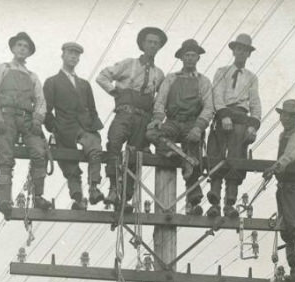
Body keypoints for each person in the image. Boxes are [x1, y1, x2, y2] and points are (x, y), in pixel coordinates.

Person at [0, 32, 51, 220]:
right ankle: (4, 200)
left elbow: (40, 101)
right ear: (13, 48)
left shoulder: (32, 76)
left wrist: (38, 119)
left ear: (29, 52)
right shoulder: (2, 68)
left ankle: (38, 197)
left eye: (26, 47)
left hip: (26, 119)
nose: (22, 49)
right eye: (19, 45)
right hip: (6, 116)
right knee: (5, 155)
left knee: (39, 152)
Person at [96, 26, 166, 207]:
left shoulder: (159, 74)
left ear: (159, 47)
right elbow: (102, 76)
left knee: (135, 155)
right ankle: (112, 188)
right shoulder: (129, 64)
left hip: (143, 119)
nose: (152, 46)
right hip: (125, 113)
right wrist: (115, 92)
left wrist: (157, 117)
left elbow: (162, 99)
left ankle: (124, 198)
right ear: (142, 44)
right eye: (149, 42)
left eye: (156, 43)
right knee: (114, 142)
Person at [146, 39, 213, 215]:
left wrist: (198, 127)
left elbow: (208, 107)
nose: (190, 59)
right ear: (182, 58)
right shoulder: (171, 78)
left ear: (198, 58)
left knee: (194, 154)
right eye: (187, 56)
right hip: (173, 121)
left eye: (193, 56)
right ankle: (182, 158)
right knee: (152, 133)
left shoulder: (203, 81)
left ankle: (193, 201)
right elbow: (160, 101)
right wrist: (158, 119)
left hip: (192, 123)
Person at [43, 43, 105, 210]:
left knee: (95, 149)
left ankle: (94, 188)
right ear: (62, 55)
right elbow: (46, 111)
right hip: (64, 128)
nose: (73, 57)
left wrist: (93, 127)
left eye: (77, 55)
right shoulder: (52, 82)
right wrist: (54, 128)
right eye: (70, 53)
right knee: (69, 163)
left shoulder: (84, 84)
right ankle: (78, 198)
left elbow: (92, 109)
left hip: (85, 127)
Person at [207, 33, 261, 218]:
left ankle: (230, 203)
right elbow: (217, 95)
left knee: (237, 159)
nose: (241, 53)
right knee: (216, 155)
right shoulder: (222, 72)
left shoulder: (252, 78)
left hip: (241, 120)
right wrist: (223, 115)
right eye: (238, 49)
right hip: (223, 117)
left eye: (245, 50)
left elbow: (255, 103)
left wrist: (253, 126)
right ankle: (214, 202)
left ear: (248, 54)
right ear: (233, 50)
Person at [263, 99, 295, 282]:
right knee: (287, 230)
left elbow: (289, 156)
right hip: (284, 187)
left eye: (291, 116)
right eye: (284, 115)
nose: (286, 118)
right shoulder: (283, 135)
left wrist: (275, 168)